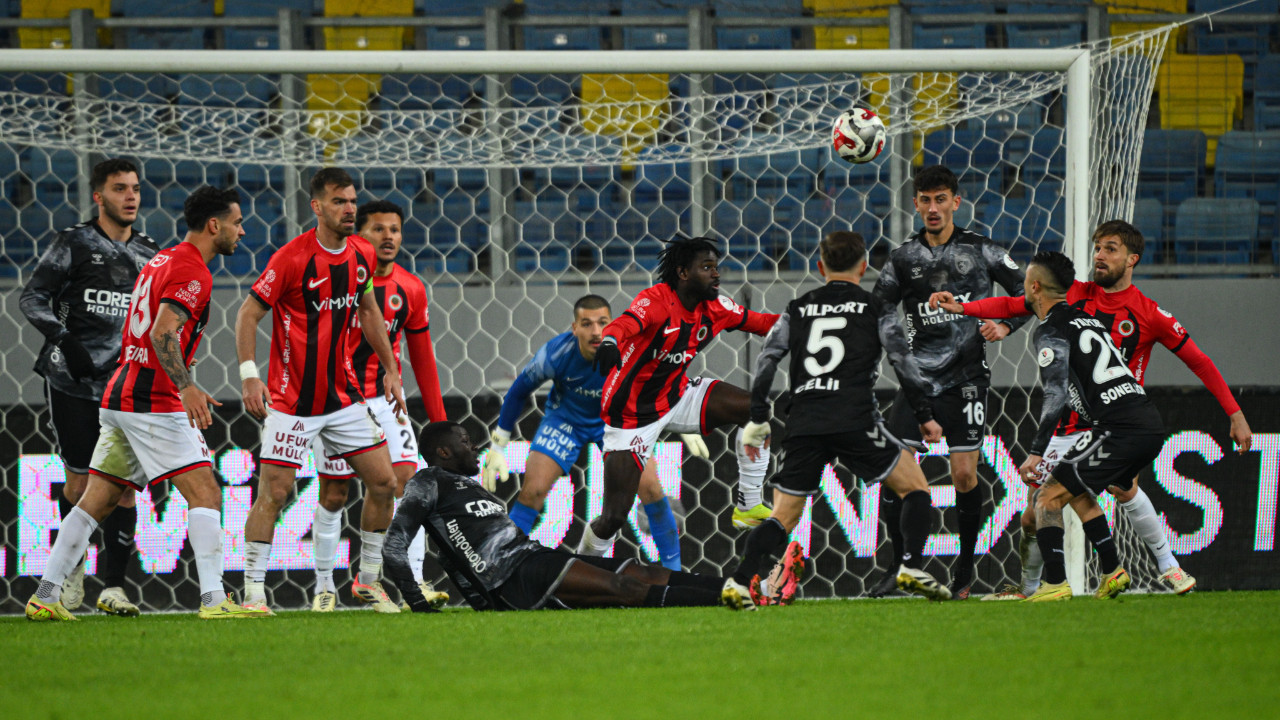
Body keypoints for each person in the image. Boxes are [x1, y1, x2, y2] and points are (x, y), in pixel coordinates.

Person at [930, 220, 1252, 597]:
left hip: (1112, 421)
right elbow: (1019, 303)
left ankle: (1167, 567)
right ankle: (1034, 586)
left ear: (1132, 259)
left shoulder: (1149, 314)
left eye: (1110, 249)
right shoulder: (1073, 293)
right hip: (1068, 420)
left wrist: (1236, 413)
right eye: (1098, 247)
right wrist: (973, 312)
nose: (1099, 255)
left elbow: (1199, 361)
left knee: (1120, 487)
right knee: (1036, 512)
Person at [26, 186, 267, 620]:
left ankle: (44, 595)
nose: (242, 230)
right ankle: (215, 601)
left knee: (94, 500)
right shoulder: (194, 272)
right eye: (235, 222)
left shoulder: (161, 259)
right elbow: (161, 332)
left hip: (120, 392)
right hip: (153, 401)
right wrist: (187, 386)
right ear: (214, 226)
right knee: (206, 493)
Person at [728, 232, 951, 607]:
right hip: (854, 419)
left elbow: (768, 358)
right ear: (864, 267)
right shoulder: (875, 307)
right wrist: (925, 415)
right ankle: (911, 566)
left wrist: (758, 413)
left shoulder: (797, 308)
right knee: (914, 487)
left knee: (783, 516)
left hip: (804, 423)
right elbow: (903, 362)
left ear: (820, 266)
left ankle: (737, 581)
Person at [235, 168, 408, 614]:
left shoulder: (362, 254)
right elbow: (248, 315)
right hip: (292, 403)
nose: (349, 208)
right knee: (275, 494)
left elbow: (368, 311)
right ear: (317, 207)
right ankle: (253, 593)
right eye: (338, 201)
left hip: (343, 398)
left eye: (352, 200)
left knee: (385, 482)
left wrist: (390, 369)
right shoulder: (291, 259)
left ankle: (368, 582)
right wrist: (250, 375)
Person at [869, 165, 1028, 599]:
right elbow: (879, 310)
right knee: (893, 473)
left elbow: (1032, 293)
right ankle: (901, 569)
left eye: (942, 199)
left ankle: (963, 571)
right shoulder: (902, 258)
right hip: (918, 381)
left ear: (956, 202)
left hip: (967, 380)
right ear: (916, 203)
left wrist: (1008, 326)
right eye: (926, 200)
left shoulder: (984, 251)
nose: (933, 208)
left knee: (962, 476)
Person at [384, 422, 747, 612]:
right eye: (464, 441)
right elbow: (394, 547)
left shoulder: (465, 487)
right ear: (444, 451)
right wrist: (417, 601)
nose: (474, 445)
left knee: (641, 570)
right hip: (511, 579)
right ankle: (730, 599)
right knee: (625, 590)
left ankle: (740, 589)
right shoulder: (427, 482)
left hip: (533, 558)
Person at [579, 237, 779, 560]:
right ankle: (582, 569)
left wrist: (804, 320)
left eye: (717, 267)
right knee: (613, 517)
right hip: (630, 417)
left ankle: (748, 504)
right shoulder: (657, 301)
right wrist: (609, 343)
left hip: (675, 395)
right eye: (707, 268)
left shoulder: (716, 308)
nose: (716, 275)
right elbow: (624, 324)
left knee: (754, 409)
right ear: (683, 273)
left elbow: (763, 323)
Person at [19, 158, 159, 617]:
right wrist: (63, 339)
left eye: (135, 188)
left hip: (124, 385)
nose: (131, 196)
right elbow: (32, 297)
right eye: (120, 189)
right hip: (72, 380)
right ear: (99, 196)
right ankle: (72, 566)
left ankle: (114, 586)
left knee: (123, 487)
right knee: (81, 484)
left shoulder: (150, 253)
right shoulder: (73, 243)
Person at [308, 199, 449, 612]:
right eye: (378, 229)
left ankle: (411, 583)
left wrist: (440, 425)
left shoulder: (411, 288)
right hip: (337, 400)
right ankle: (322, 588)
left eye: (395, 229)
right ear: (359, 235)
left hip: (386, 399)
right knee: (334, 494)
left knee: (409, 485)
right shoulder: (337, 280)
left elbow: (423, 359)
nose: (388, 237)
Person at [481, 295, 691, 570]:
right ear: (574, 328)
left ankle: (672, 573)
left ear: (613, 324)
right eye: (587, 323)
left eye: (603, 323)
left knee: (651, 488)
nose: (595, 331)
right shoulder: (555, 354)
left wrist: (684, 421)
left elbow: (663, 381)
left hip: (615, 423)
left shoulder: (630, 350)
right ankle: (502, 570)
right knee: (532, 491)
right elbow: (518, 391)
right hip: (565, 420)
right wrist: (498, 446)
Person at [1012, 251, 1169, 601]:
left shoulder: (1050, 330)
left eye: (1025, 280)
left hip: (1120, 429)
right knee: (1076, 491)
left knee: (1046, 498)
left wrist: (1037, 452)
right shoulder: (1088, 319)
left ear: (1034, 287)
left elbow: (1054, 394)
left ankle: (1055, 585)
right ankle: (1113, 571)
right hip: (1143, 422)